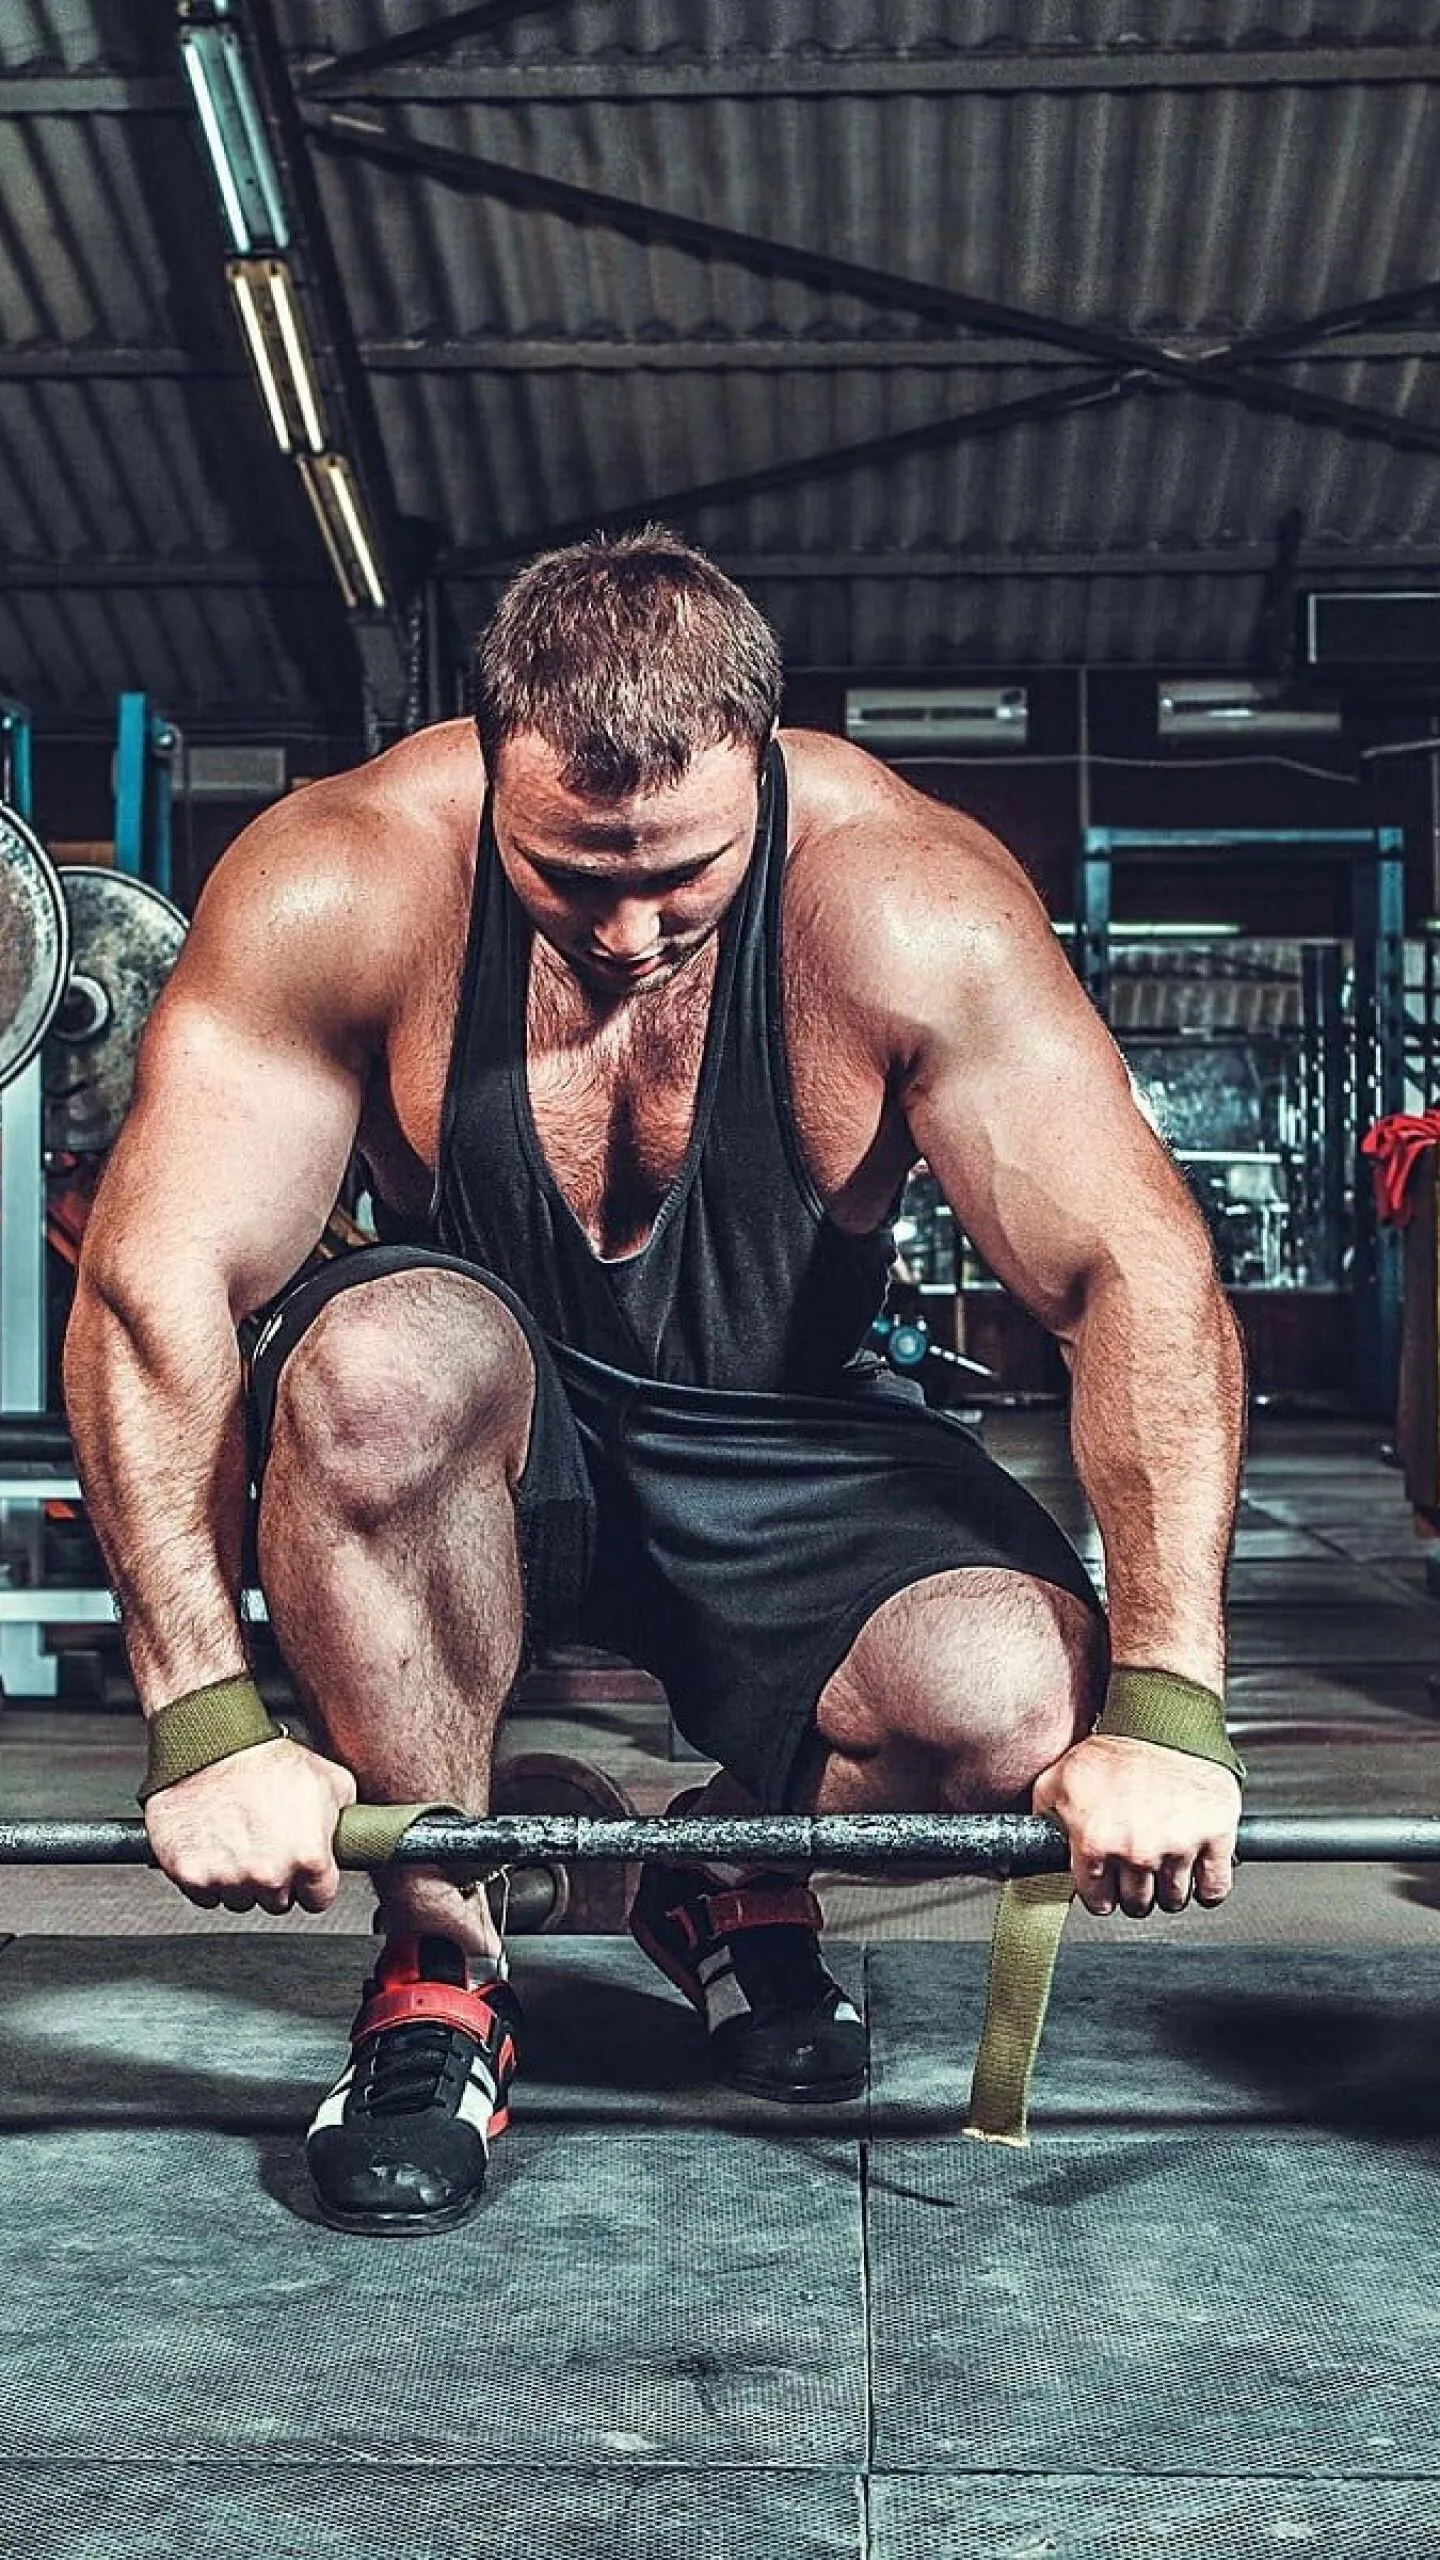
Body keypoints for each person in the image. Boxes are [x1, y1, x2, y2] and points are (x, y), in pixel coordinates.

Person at [64, 529, 1244, 2236]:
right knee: (377, 1364)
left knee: (1019, 1709)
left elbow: (1135, 1270)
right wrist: (204, 1723)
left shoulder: (907, 900)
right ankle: (443, 1964)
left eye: (683, 875)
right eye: (568, 874)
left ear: (758, 762)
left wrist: (1171, 1708)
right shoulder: (345, 880)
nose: (628, 932)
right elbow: (154, 1279)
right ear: (490, 767)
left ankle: (725, 1866)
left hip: (784, 1434)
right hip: (482, 1412)